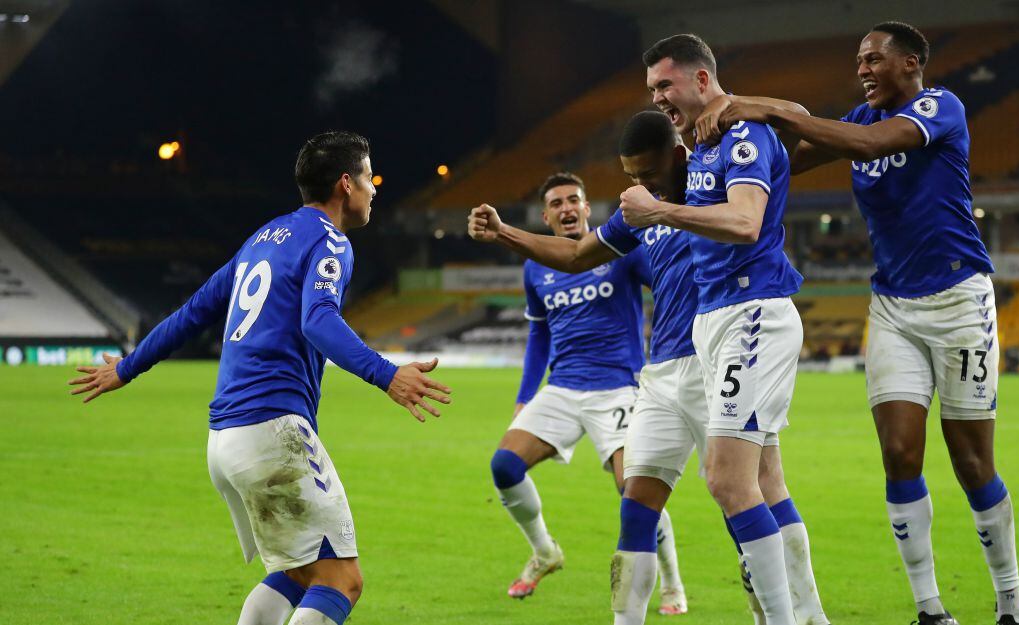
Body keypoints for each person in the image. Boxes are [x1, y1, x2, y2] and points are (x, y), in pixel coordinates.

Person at [695, 21, 1019, 625]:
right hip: (893, 306)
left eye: (875, 59)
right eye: (858, 62)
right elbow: (788, 159)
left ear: (913, 61)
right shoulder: (859, 121)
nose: (864, 69)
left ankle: (1011, 602)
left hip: (960, 302)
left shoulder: (940, 107)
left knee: (972, 463)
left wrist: (755, 105)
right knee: (900, 455)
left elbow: (869, 146)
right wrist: (728, 155)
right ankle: (930, 609)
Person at [67, 131, 451, 625]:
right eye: (367, 175)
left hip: (224, 440)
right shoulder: (330, 240)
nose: (374, 187)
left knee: (297, 573)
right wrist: (386, 375)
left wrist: (126, 367)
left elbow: (193, 312)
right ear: (345, 185)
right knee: (342, 580)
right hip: (273, 432)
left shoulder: (261, 240)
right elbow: (318, 320)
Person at [470, 110, 829, 625]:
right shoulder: (641, 215)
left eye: (647, 173)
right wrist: (505, 233)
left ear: (678, 156)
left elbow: (782, 167)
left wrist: (763, 112)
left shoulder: (720, 190)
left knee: (756, 489)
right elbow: (576, 255)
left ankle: (805, 615)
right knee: (636, 502)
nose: (639, 185)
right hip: (660, 375)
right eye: (631, 176)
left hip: (718, 358)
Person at [615, 33, 816, 625]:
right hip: (715, 324)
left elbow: (747, 221)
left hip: (753, 313)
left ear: (702, 80)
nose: (657, 99)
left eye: (664, 86)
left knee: (730, 480)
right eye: (651, 89)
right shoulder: (699, 150)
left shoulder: (745, 134)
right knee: (764, 481)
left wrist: (661, 211)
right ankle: (810, 617)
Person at [478, 171, 688, 609]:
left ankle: (672, 583)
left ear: (588, 208)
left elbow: (668, 285)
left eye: (574, 200)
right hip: (562, 388)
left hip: (618, 389)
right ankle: (544, 551)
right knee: (503, 466)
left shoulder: (621, 250)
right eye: (556, 203)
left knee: (634, 487)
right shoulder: (536, 266)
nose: (567, 208)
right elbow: (539, 336)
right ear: (546, 215)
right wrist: (524, 396)